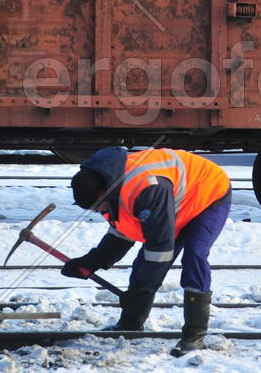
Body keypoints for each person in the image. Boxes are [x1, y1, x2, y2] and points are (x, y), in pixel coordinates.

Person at [63, 146, 232, 357]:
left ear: (101, 193)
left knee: (194, 257)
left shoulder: (146, 187)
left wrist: (140, 291)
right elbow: (122, 233)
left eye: (98, 207)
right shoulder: (111, 184)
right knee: (145, 262)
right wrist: (91, 262)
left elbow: (160, 248)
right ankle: (130, 324)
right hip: (176, 200)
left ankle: (194, 336)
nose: (99, 211)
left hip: (208, 194)